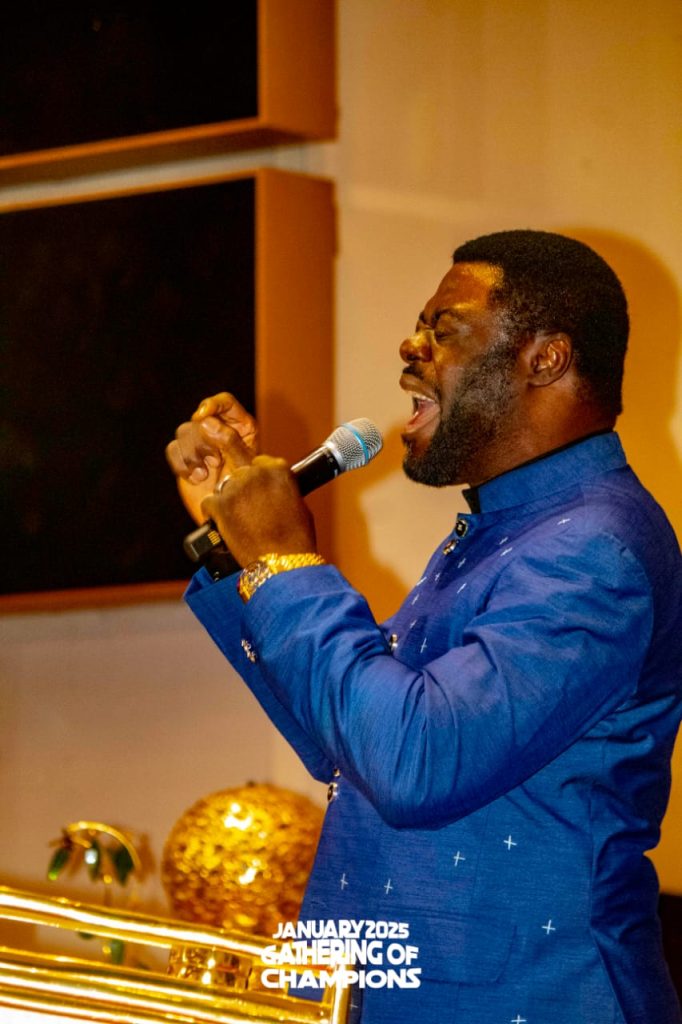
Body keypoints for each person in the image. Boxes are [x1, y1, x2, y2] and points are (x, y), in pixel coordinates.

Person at [166, 230, 682, 1023]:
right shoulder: (508, 532)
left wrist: (283, 561)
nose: (410, 347)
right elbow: (350, 746)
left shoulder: (595, 548)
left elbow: (415, 762)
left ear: (545, 359)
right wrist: (247, 560)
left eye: (444, 328)